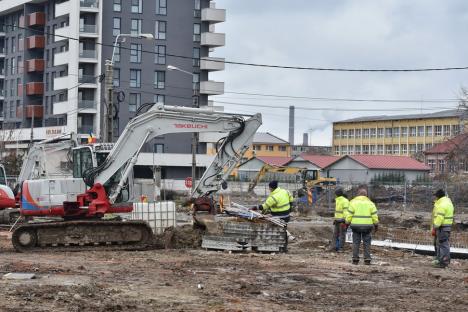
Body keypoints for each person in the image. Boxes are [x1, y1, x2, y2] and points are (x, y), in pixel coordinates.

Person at [345, 187, 378, 265]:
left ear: (358, 194)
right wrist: (376, 225)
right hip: (367, 226)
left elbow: (349, 215)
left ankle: (355, 259)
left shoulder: (352, 202)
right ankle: (367, 259)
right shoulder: (371, 203)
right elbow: (374, 216)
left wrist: (347, 223)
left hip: (355, 226)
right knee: (367, 242)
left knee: (356, 242)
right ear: (366, 195)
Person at [431, 189, 454, 268]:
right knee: (441, 244)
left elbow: (439, 218)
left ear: (438, 196)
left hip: (442, 227)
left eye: (436, 196)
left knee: (443, 244)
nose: (435, 198)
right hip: (446, 227)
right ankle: (441, 260)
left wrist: (435, 227)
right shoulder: (447, 202)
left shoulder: (441, 205)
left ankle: (443, 262)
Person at [332, 187, 349, 252]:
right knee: (339, 235)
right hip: (339, 221)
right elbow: (339, 212)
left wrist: (343, 220)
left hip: (341, 221)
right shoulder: (340, 200)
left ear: (337, 194)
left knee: (339, 235)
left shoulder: (341, 201)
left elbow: (345, 212)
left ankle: (339, 248)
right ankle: (337, 248)